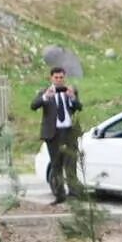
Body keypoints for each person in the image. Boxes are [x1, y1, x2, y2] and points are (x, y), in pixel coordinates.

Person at [30, 67, 82, 203]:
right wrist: (45, 97)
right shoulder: (45, 92)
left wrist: (72, 98)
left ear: (64, 78)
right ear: (51, 78)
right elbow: (33, 106)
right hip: (53, 133)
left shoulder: (71, 91)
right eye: (56, 77)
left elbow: (79, 107)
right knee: (56, 165)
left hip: (69, 132)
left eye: (61, 77)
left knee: (71, 163)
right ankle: (60, 195)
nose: (59, 80)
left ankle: (74, 193)